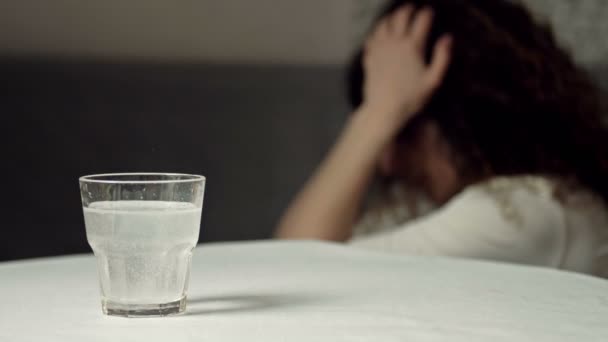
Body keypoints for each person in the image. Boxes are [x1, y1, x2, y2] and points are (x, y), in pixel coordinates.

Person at [275, 0, 608, 277]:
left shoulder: (525, 213)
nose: (387, 163)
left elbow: (296, 271)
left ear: (460, 122)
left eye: (403, 130)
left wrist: (376, 116)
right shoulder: (442, 205)